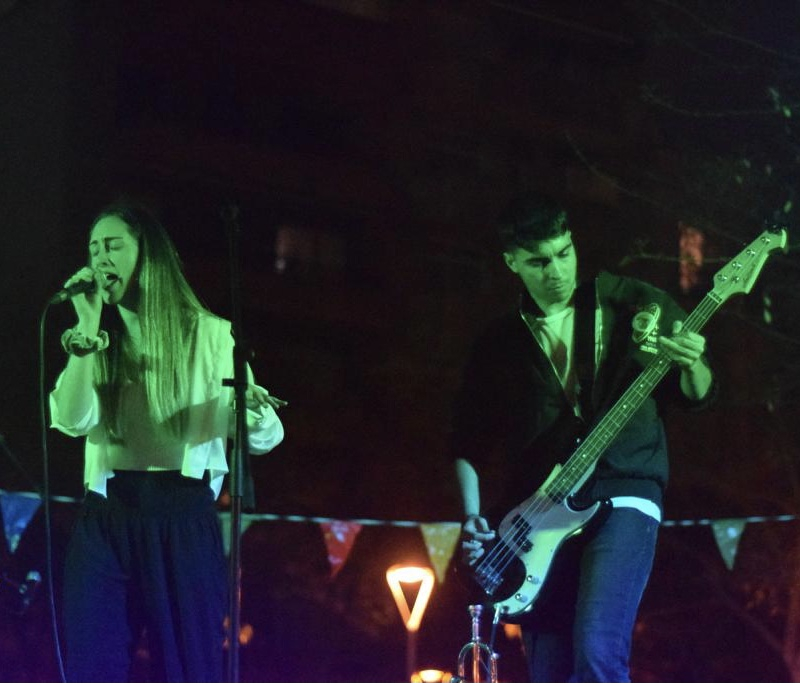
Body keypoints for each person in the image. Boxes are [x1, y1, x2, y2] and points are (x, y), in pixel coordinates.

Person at [451, 193, 715, 683]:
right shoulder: (498, 344)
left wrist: (693, 362)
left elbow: (696, 394)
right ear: (512, 262)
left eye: (564, 252)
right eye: (538, 261)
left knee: (596, 651)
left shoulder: (632, 302)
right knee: (549, 669)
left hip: (623, 490)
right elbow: (466, 442)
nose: (556, 270)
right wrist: (471, 517)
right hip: (535, 516)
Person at [49, 201, 286, 683]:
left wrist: (251, 409)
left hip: (182, 518)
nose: (100, 258)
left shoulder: (210, 335)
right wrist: (87, 330)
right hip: (106, 519)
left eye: (113, 246)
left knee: (185, 668)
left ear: (148, 255)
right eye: (93, 248)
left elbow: (266, 437)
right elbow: (71, 420)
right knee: (92, 665)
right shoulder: (94, 339)